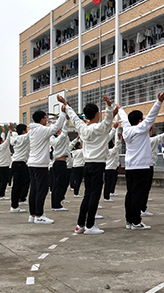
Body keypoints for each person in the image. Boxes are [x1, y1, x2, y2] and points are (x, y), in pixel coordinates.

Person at [65, 94, 116, 235]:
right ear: (97, 114)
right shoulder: (101, 128)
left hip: (87, 165)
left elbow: (74, 118)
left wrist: (66, 104)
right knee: (94, 195)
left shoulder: (83, 128)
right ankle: (90, 225)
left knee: (87, 194)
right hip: (98, 165)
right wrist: (109, 105)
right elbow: (109, 119)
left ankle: (80, 225)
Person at [118, 91, 164, 230]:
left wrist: (120, 109)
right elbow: (152, 116)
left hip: (130, 167)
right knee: (138, 195)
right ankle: (136, 222)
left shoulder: (127, 129)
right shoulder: (141, 128)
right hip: (141, 167)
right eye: (142, 118)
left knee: (130, 194)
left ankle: (129, 220)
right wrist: (159, 102)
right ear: (140, 120)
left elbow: (124, 119)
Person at [27, 103, 67, 224]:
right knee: (42, 190)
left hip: (32, 163)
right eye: (45, 118)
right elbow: (56, 127)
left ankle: (33, 214)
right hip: (40, 164)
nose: (47, 120)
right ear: (41, 119)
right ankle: (39, 215)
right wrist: (63, 113)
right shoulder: (41, 129)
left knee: (34, 189)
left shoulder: (32, 130)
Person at [141, 123, 164, 217]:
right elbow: (160, 137)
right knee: (145, 188)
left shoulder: (140, 140)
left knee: (142, 188)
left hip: (141, 165)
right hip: (148, 166)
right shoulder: (150, 140)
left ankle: (141, 207)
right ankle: (142, 208)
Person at [50, 121, 72, 211]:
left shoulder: (52, 140)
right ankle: (57, 205)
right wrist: (66, 120)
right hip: (61, 163)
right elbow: (65, 131)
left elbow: (52, 133)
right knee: (60, 184)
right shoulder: (61, 138)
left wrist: (52, 125)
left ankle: (55, 204)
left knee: (56, 184)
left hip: (57, 163)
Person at [9, 123, 30, 214]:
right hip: (20, 164)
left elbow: (12, 134)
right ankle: (14, 206)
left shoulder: (15, 138)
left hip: (16, 163)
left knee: (18, 185)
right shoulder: (23, 138)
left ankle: (16, 203)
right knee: (18, 186)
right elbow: (33, 132)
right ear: (23, 131)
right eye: (26, 129)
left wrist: (10, 131)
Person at [103, 130, 122, 202]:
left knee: (108, 183)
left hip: (108, 168)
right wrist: (119, 139)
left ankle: (108, 194)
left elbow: (117, 147)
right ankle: (107, 197)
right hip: (110, 169)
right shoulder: (111, 151)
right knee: (109, 183)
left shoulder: (106, 151)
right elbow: (117, 147)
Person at [0, 126, 12, 201]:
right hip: (4, 166)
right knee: (3, 181)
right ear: (1, 141)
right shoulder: (2, 146)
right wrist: (9, 131)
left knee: (2, 181)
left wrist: (3, 132)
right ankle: (2, 195)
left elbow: (4, 139)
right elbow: (7, 140)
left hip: (0, 165)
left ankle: (1, 194)